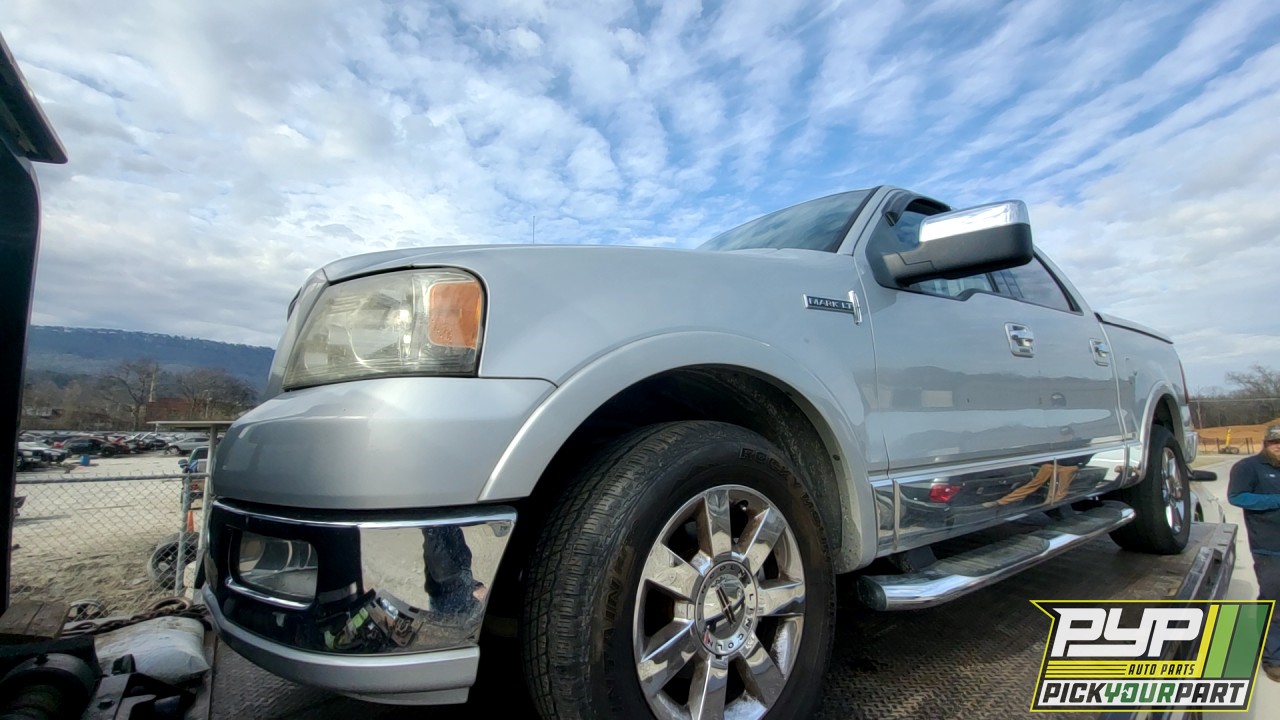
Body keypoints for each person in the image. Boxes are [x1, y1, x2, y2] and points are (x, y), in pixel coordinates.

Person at [1227, 425, 1280, 682]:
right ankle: (1273, 658)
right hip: (1269, 548)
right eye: (1274, 442)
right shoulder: (1248, 467)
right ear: (1265, 443)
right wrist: (1276, 500)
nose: (1279, 446)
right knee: (1275, 602)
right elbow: (1237, 497)